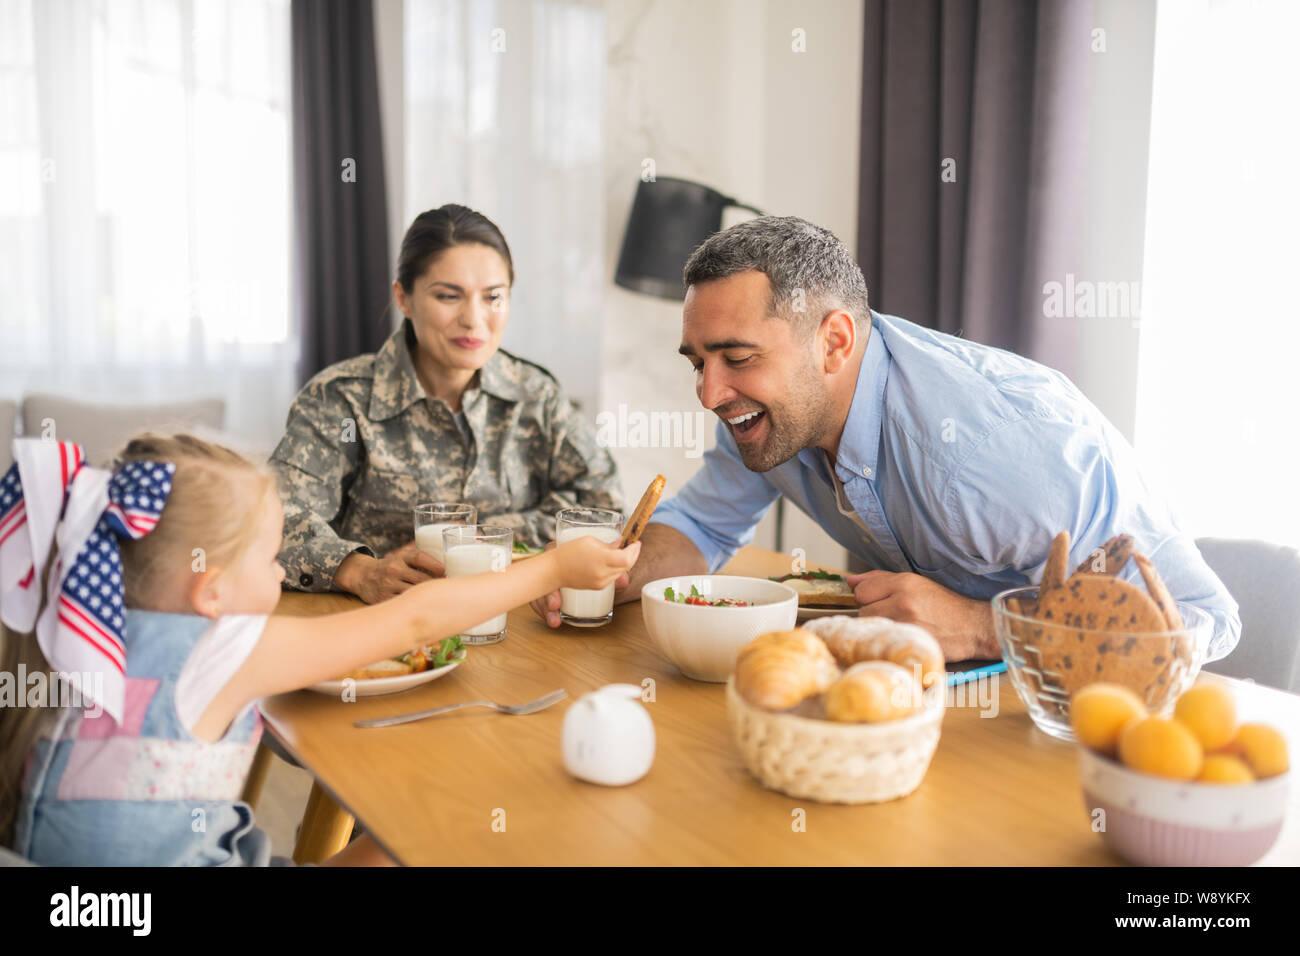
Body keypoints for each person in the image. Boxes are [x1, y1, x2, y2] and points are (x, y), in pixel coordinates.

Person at [532, 216, 1240, 663]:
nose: (710, 394)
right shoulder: (767, 420)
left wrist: (980, 628)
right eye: (698, 362)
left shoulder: (994, 450)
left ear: (834, 341)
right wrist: (606, 576)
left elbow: (1200, 623)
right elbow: (697, 527)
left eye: (737, 358)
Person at [0, 433, 638, 865]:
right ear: (210, 589)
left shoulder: (63, 632)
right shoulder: (220, 650)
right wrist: (553, 569)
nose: (282, 575)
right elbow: (416, 622)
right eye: (273, 558)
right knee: (449, 830)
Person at [272, 204, 622, 605]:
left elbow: (604, 507)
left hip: (517, 625)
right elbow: (271, 521)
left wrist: (484, 538)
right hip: (383, 632)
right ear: (403, 298)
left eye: (493, 297)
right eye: (448, 296)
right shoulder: (340, 399)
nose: (473, 319)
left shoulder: (535, 395)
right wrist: (360, 570)